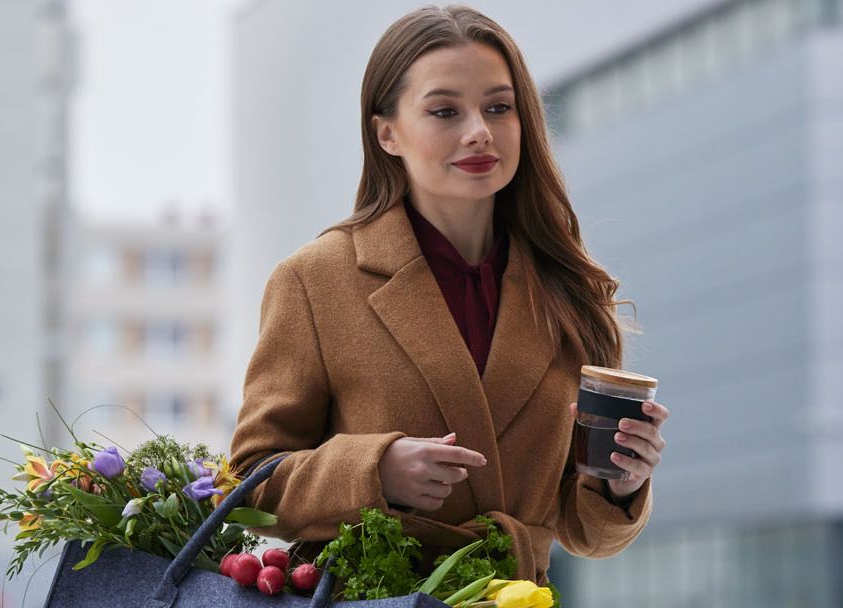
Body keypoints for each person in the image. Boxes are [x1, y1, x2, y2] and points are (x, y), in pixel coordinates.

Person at [229, 4, 669, 586]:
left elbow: (583, 530)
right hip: (367, 596)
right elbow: (248, 486)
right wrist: (374, 471)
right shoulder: (316, 281)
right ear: (386, 132)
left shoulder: (567, 289)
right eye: (444, 110)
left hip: (517, 596)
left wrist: (620, 484)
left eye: (498, 107)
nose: (479, 130)